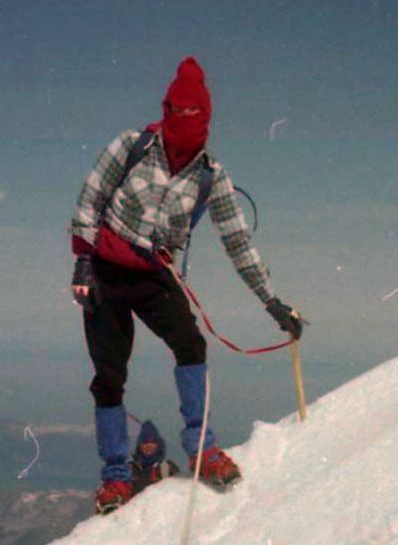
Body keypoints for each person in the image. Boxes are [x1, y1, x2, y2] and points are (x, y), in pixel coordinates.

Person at [69, 56, 304, 515]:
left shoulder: (211, 177)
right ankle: (116, 478)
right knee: (110, 375)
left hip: (155, 276)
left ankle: (201, 449)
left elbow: (238, 242)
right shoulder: (130, 147)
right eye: (179, 113)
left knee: (191, 344)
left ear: (207, 119)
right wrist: (82, 264)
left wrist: (271, 302)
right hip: (106, 272)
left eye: (195, 116)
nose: (186, 124)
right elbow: (89, 199)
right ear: (167, 109)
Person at [130, 420, 181, 493]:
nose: (149, 445)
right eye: (145, 442)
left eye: (153, 442)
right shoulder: (130, 470)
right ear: (139, 445)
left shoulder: (168, 469)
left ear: (158, 445)